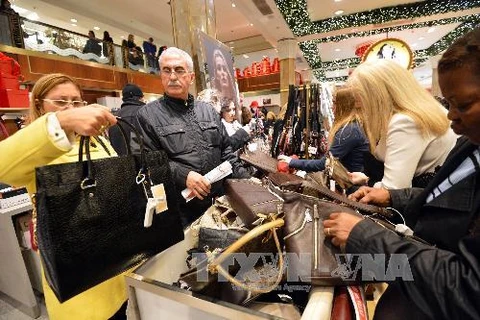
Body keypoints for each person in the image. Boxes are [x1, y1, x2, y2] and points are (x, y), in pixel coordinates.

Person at [324, 27, 480, 319]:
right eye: (450, 104)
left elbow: (468, 288)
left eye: (464, 104)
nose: (451, 116)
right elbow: (452, 196)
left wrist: (365, 236)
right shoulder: (471, 144)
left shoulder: (404, 123)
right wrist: (393, 196)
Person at [0, 74, 128, 320]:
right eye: (61, 102)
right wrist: (62, 121)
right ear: (39, 105)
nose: (71, 107)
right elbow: (3, 165)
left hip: (115, 261)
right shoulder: (39, 145)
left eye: (77, 102)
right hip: (78, 273)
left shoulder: (97, 141)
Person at [135, 47, 249, 227]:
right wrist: (184, 175)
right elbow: (148, 161)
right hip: (181, 212)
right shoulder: (147, 115)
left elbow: (226, 153)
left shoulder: (208, 111)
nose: (173, 76)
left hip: (219, 205)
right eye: (167, 70)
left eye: (179, 70)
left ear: (191, 77)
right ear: (161, 75)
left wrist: (249, 183)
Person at [347, 59, 457, 189]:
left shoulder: (405, 121)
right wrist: (367, 179)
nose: (360, 107)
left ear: (377, 96)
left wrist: (369, 183)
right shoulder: (422, 111)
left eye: (361, 98)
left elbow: (393, 189)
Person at [278, 87, 369, 173]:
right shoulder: (352, 127)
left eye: (334, 103)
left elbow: (325, 163)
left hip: (351, 185)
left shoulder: (349, 131)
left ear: (343, 105)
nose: (331, 107)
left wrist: (292, 162)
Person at [108, 83, 145, 155]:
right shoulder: (145, 112)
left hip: (121, 162)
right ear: (140, 98)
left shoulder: (113, 117)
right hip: (144, 162)